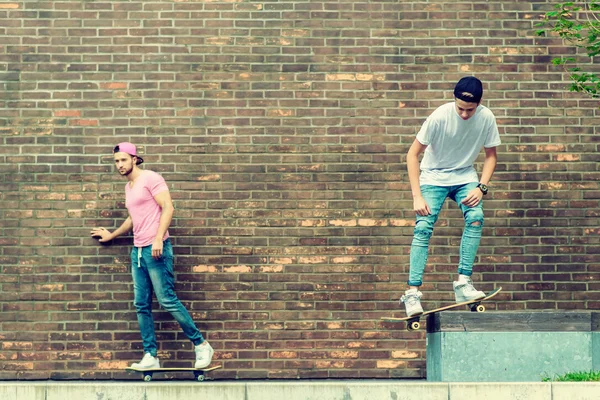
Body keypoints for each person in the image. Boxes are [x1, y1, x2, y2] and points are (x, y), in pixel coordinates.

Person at [90, 142, 214, 369]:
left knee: (166, 299)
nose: (119, 165)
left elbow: (168, 207)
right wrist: (113, 235)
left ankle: (201, 345)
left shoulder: (151, 178)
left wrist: (158, 237)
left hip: (156, 249)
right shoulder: (129, 187)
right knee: (141, 304)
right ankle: (151, 356)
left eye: (124, 160)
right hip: (138, 252)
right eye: (116, 161)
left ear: (135, 159)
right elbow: (133, 218)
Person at [401, 77, 501, 317]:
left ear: (479, 104)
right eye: (460, 109)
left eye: (470, 110)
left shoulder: (487, 118)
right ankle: (412, 293)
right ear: (453, 101)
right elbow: (412, 155)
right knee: (424, 227)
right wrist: (417, 196)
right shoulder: (439, 117)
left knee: (475, 217)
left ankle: (463, 283)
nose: (464, 114)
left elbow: (491, 155)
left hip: (465, 177)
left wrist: (481, 187)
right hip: (433, 177)